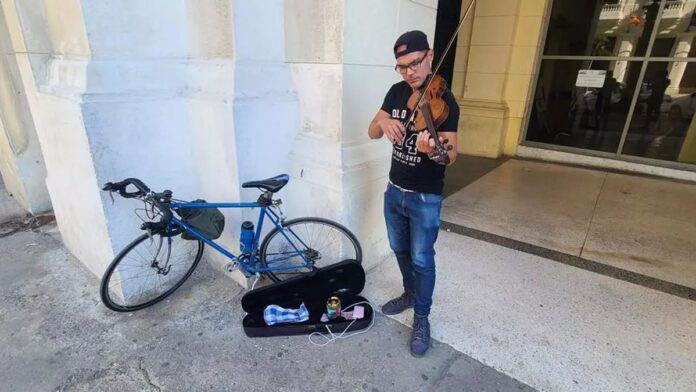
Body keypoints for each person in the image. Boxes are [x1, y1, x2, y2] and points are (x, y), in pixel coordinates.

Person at [367, 30, 459, 357]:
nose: (410, 72)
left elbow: (451, 154)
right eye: (402, 66)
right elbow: (372, 129)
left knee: (422, 258)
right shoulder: (396, 93)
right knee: (399, 250)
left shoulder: (445, 101)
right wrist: (385, 124)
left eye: (415, 63)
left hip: (424, 198)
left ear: (430, 56)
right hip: (394, 191)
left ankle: (422, 316)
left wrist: (433, 150)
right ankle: (409, 293)